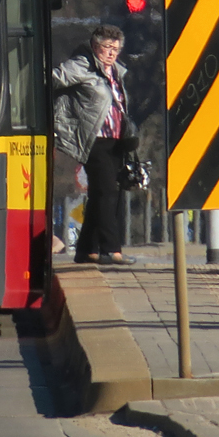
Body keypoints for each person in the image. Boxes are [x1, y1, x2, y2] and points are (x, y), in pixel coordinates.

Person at [52, 25, 134, 265]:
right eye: (107, 47)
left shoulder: (116, 72)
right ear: (95, 46)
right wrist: (63, 115)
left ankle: (87, 249)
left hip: (116, 139)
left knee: (104, 193)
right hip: (93, 139)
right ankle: (112, 249)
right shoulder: (82, 65)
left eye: (116, 48)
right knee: (107, 190)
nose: (112, 53)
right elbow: (51, 79)